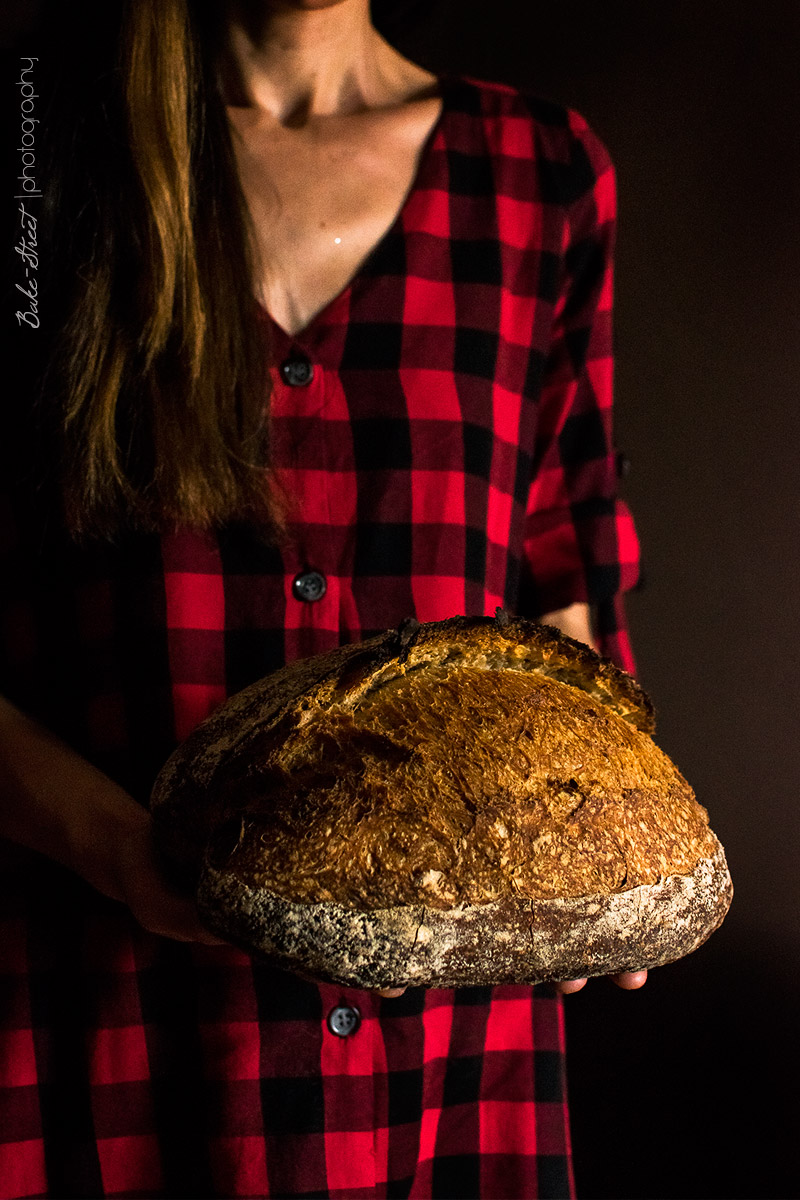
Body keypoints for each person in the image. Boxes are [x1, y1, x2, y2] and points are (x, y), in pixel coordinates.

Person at [0, 1, 644, 1196]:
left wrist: (586, 852)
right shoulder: (37, 145)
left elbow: (563, 572)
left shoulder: (540, 174)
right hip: (104, 1025)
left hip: (447, 1054)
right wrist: (115, 848)